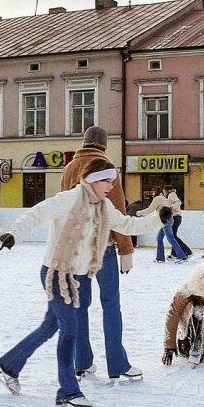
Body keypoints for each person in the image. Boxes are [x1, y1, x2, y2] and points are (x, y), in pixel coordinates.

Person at [0, 158, 169, 407]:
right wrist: (14, 233)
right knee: (70, 329)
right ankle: (68, 391)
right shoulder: (68, 199)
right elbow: (37, 213)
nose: (110, 187)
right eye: (107, 181)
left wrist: (158, 218)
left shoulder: (103, 207)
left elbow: (128, 225)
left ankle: (8, 365)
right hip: (58, 273)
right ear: (94, 180)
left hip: (80, 277)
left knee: (49, 327)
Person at [59, 126, 143, 381]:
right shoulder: (106, 167)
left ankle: (82, 363)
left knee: (79, 307)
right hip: (102, 249)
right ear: (103, 145)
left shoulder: (69, 168)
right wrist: (126, 249)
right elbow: (117, 210)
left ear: (84, 142)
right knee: (111, 305)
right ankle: (117, 365)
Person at [137, 186, 189, 263]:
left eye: (153, 192)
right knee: (159, 238)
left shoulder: (157, 198)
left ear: (157, 192)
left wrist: (139, 212)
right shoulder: (164, 198)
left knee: (170, 238)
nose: (152, 194)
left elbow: (150, 209)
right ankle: (160, 258)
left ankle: (182, 256)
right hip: (166, 219)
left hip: (165, 219)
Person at [164, 185, 192, 260]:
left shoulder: (171, 194)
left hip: (175, 217)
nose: (164, 192)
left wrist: (171, 207)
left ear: (167, 190)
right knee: (173, 236)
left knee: (173, 237)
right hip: (176, 217)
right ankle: (174, 254)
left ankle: (187, 251)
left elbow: (178, 202)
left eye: (164, 190)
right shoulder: (171, 195)